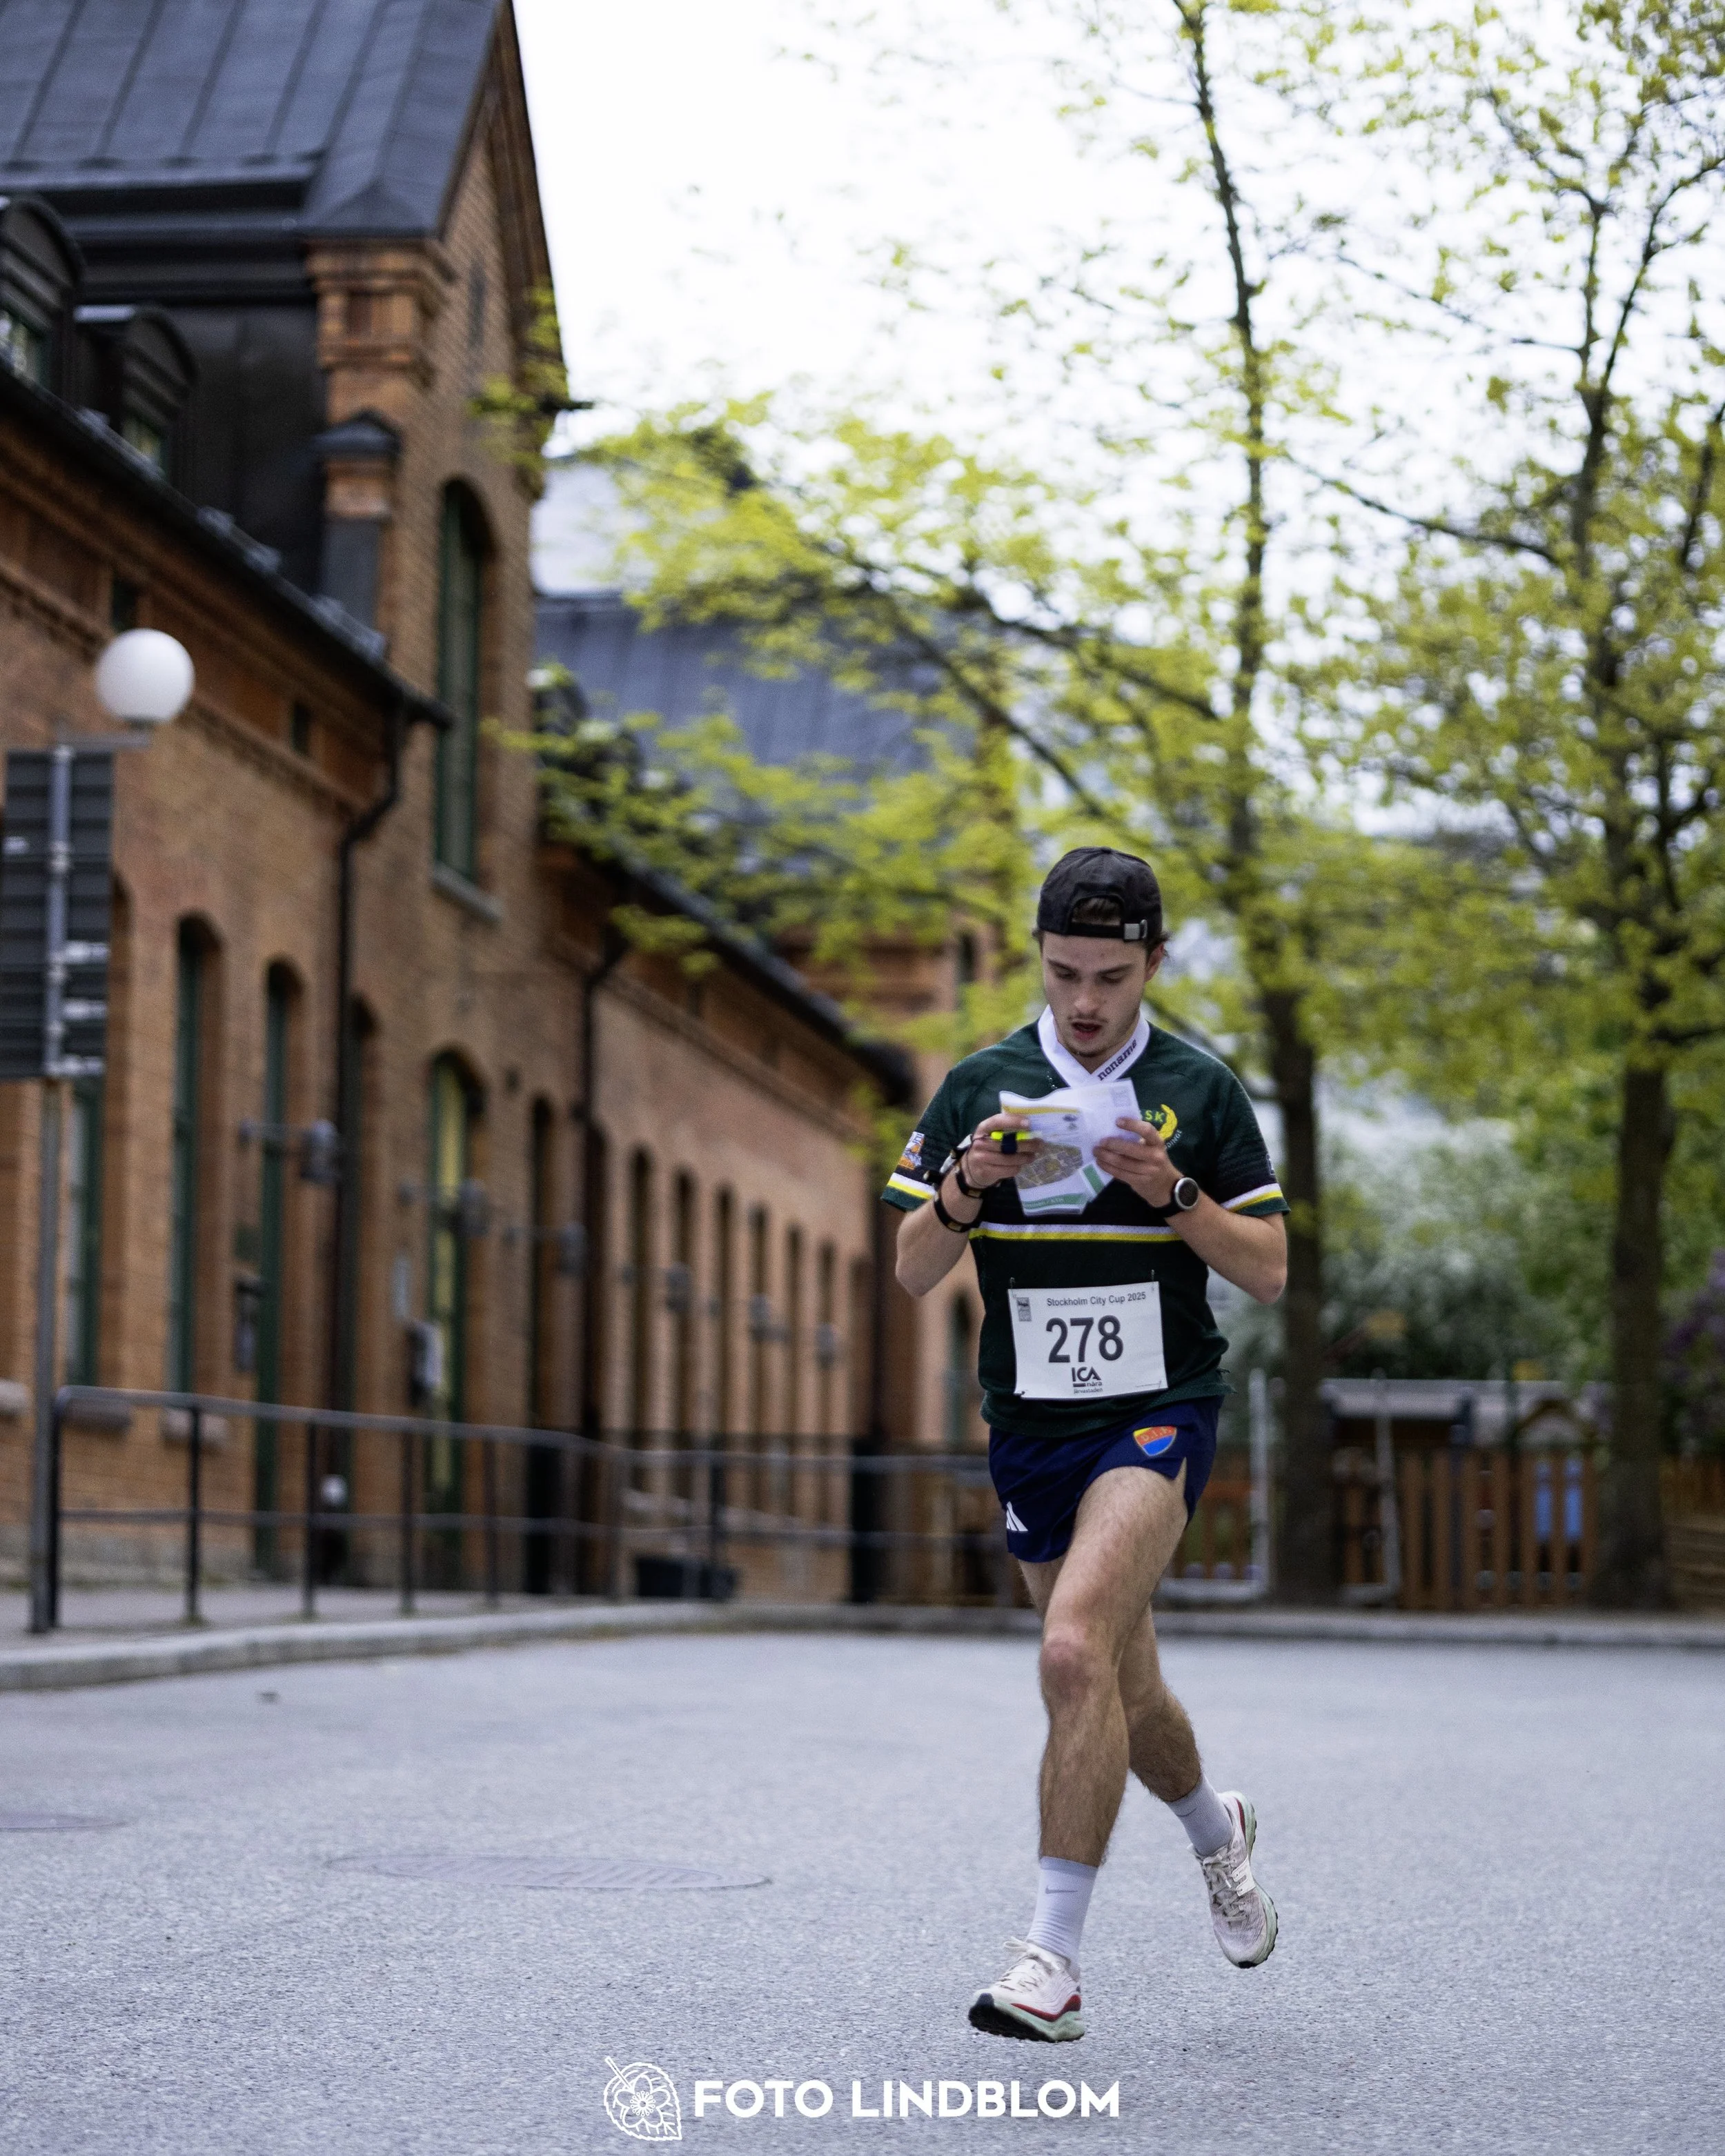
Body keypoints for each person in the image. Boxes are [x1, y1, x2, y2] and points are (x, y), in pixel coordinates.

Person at [883, 847, 1288, 2042]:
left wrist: (1174, 1195)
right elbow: (909, 1270)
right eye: (1065, 974)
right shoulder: (982, 1084)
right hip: (1031, 1428)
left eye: (1111, 975)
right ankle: (1219, 1831)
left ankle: (1049, 1963)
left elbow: (1268, 1273)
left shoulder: (1201, 1093)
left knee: (1070, 1656)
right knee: (1124, 1682)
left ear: (1154, 963)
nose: (1087, 1002)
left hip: (1159, 1410)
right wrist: (962, 1187)